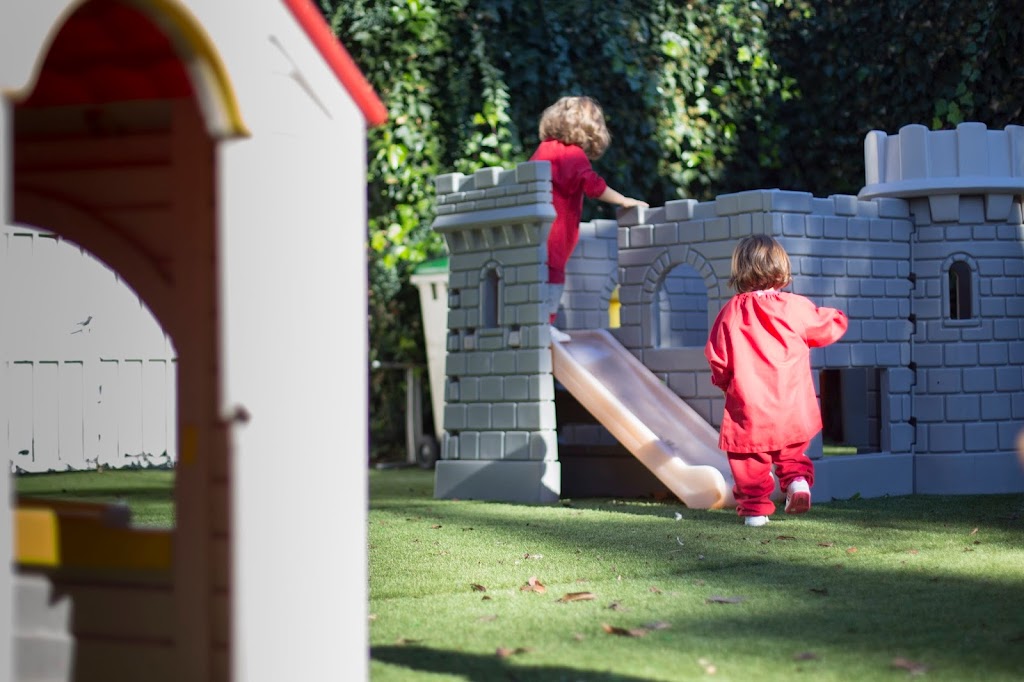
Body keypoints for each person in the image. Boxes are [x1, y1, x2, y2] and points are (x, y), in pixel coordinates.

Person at [704, 235, 848, 527]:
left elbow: (718, 356)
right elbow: (826, 326)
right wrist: (838, 317)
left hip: (750, 405)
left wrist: (724, 383)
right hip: (793, 405)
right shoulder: (794, 307)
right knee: (791, 452)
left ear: (740, 270)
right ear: (781, 268)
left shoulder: (731, 312)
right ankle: (797, 482)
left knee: (750, 464)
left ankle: (756, 513)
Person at [529, 95, 648, 342]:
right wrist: (624, 200)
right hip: (556, 233)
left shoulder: (544, 149)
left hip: (534, 229)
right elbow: (592, 185)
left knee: (535, 277)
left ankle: (534, 322)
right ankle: (544, 325)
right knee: (553, 278)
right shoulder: (573, 154)